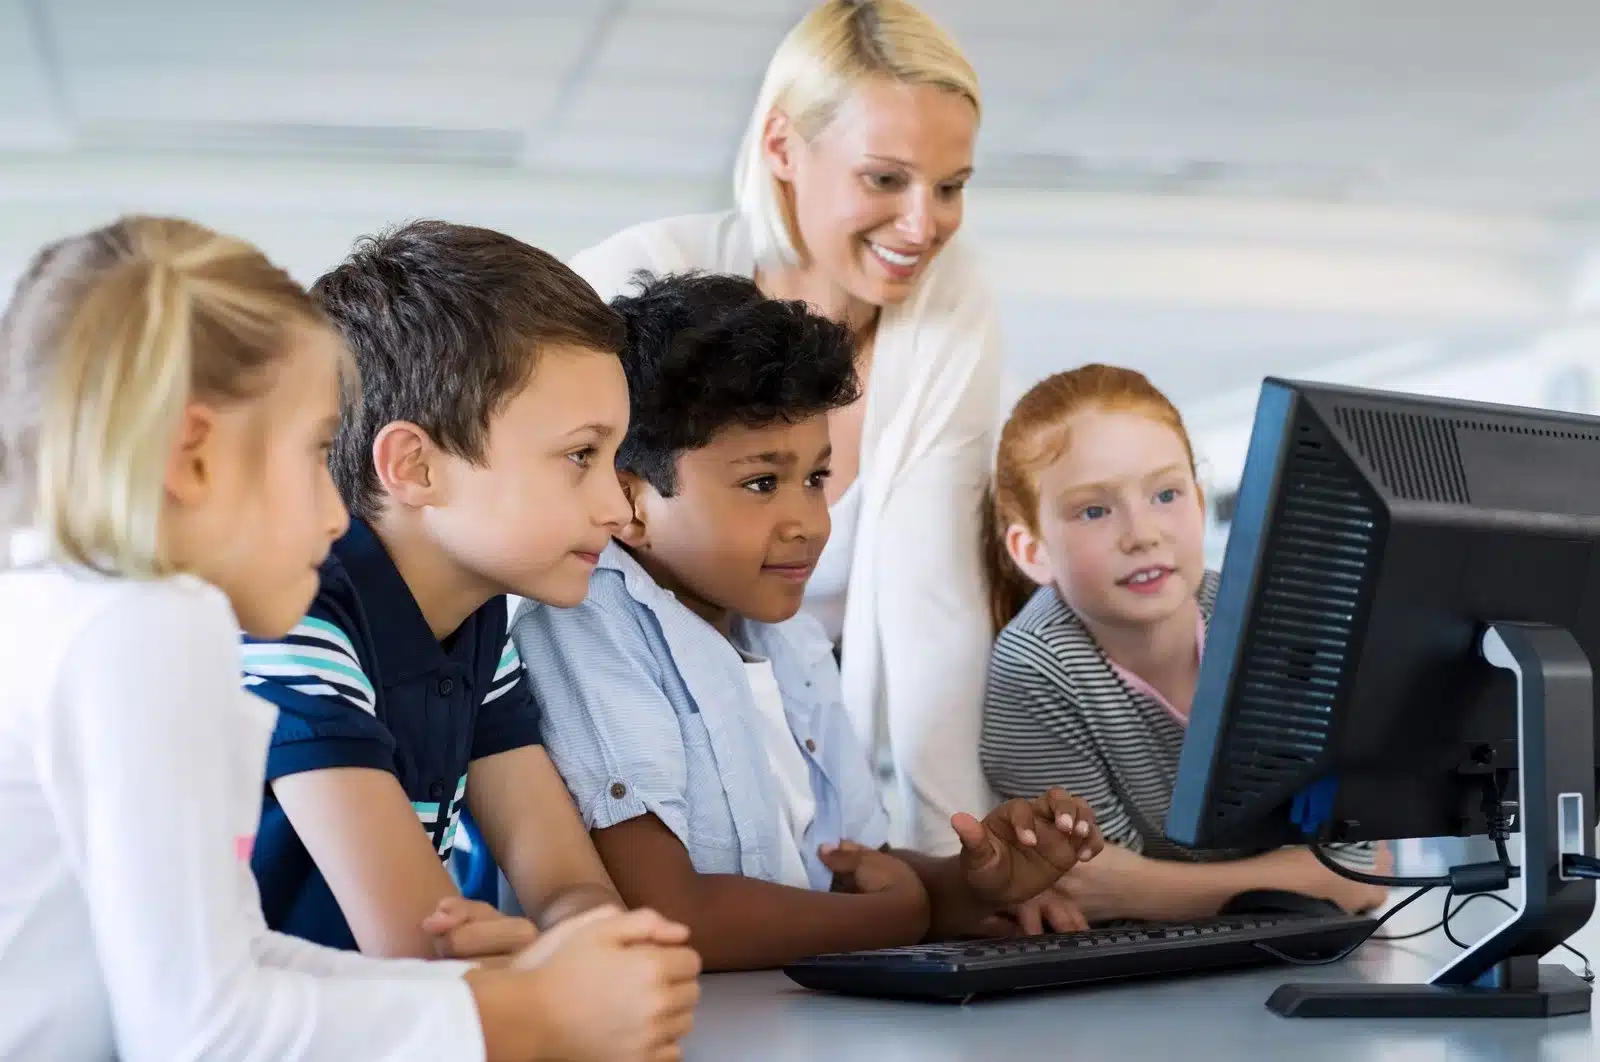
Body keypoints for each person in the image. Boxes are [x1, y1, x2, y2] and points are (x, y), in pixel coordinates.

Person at [0, 216, 700, 1062]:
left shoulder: (82, 612)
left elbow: (240, 966)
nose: (336, 511)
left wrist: (517, 988)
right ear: (194, 457)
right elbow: (200, 1035)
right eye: (314, 452)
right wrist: (526, 1015)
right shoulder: (147, 623)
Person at [513, 272, 1101, 971]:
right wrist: (898, 916)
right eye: (762, 483)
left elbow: (853, 876)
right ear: (633, 503)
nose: (810, 524)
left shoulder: (784, 629)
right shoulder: (588, 628)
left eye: (817, 478)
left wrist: (975, 885)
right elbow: (668, 918)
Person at [568, 0, 998, 853]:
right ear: (782, 149)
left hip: (802, 720)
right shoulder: (639, 280)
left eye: (950, 188)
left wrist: (961, 853)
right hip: (631, 722)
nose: (924, 225)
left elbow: (935, 602)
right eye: (885, 179)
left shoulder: (954, 307)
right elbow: (549, 527)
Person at [239, 220, 634, 956]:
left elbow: (566, 882)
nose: (618, 504)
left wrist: (587, 936)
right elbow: (416, 945)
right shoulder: (297, 614)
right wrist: (549, 956)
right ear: (417, 468)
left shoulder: (475, 618)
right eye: (581, 456)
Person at [978, 364, 1389, 929]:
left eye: (1166, 494)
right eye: (1094, 510)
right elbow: (1093, 886)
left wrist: (1148, 889)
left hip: (1317, 955)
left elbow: (1360, 869)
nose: (1143, 533)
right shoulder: (1037, 670)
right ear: (1033, 550)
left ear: (1199, 505)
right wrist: (1309, 877)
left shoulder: (1282, 624)